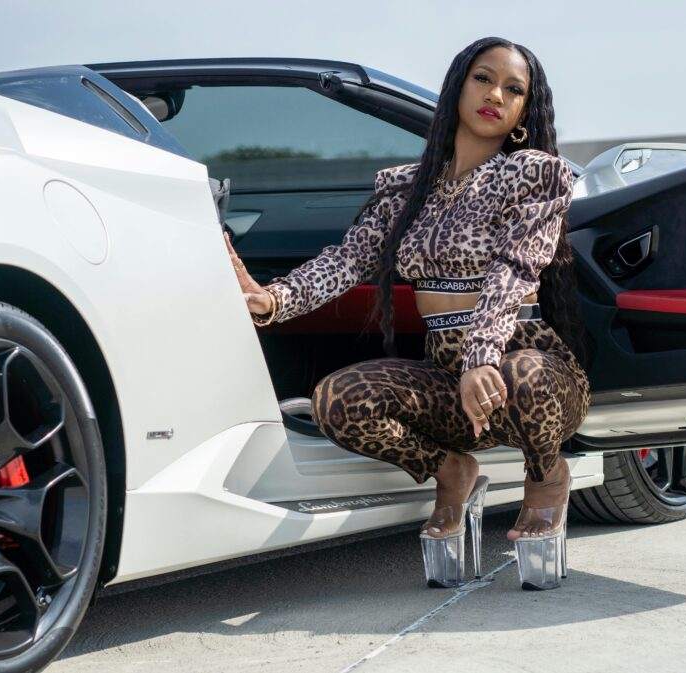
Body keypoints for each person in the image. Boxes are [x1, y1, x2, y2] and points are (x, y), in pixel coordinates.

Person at [224, 36, 591, 590]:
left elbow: (515, 269)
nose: (495, 94)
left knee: (524, 376)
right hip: (448, 376)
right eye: (483, 79)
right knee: (337, 400)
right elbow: (348, 260)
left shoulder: (534, 174)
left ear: (523, 112)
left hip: (527, 363)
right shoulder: (405, 187)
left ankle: (546, 476)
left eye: (513, 90)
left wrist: (482, 356)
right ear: (458, 88)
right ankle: (451, 472)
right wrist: (274, 300)